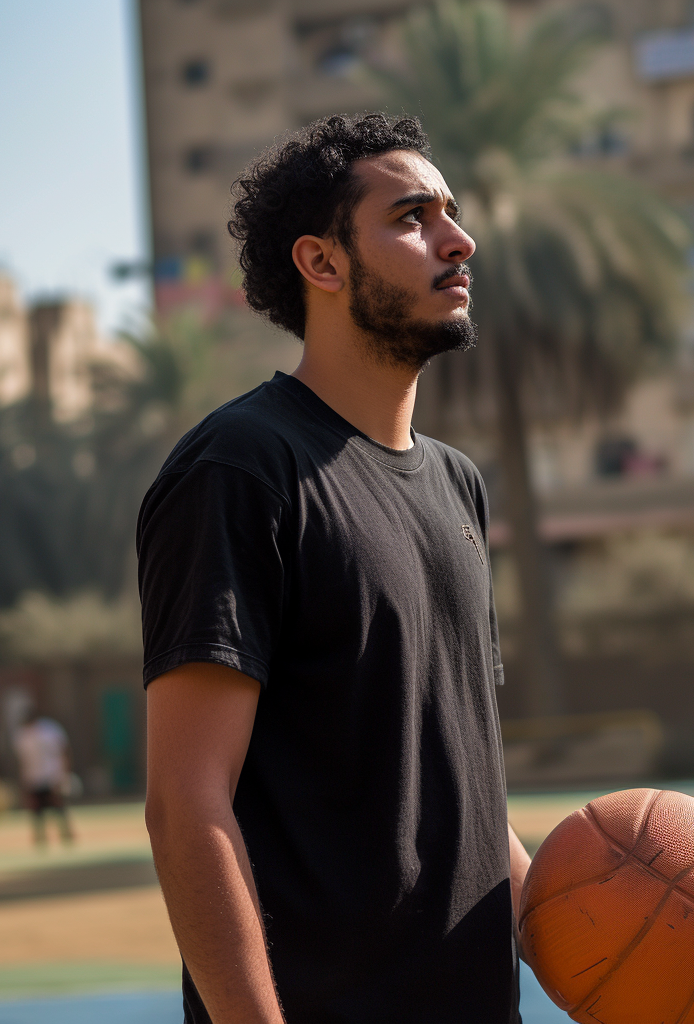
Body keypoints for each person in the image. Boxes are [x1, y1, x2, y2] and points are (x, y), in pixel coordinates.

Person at [139, 113, 532, 1024]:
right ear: (322, 263)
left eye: (453, 212)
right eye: (412, 217)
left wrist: (612, 935)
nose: (459, 239)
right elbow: (186, 803)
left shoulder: (456, 484)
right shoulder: (240, 468)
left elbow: (463, 790)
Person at [13, 709, 74, 847]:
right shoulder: (22, 736)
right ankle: (40, 837)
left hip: (51, 774)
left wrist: (64, 773)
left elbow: (64, 750)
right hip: (34, 777)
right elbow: (22, 760)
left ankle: (66, 833)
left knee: (57, 805)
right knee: (37, 809)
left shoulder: (50, 730)